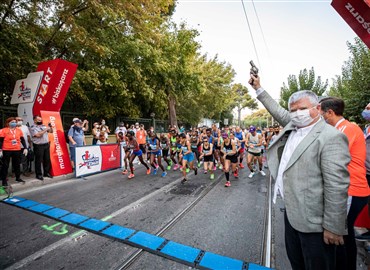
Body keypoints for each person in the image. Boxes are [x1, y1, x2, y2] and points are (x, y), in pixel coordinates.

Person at [249, 73, 351, 270]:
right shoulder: (294, 124)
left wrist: (333, 227)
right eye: (293, 110)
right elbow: (276, 110)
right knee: (297, 263)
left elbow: (337, 186)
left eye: (303, 109)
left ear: (318, 108)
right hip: (292, 216)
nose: (297, 113)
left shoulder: (331, 137)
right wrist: (258, 88)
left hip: (316, 225)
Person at [320, 97, 370, 270]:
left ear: (330, 113)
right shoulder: (341, 128)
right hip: (351, 189)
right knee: (345, 233)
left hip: (352, 189)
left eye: (321, 113)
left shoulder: (347, 128)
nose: (320, 117)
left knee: (340, 234)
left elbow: (330, 154)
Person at [0, 117, 28, 187]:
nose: (14, 123)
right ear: (8, 123)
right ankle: (4, 180)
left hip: (17, 149)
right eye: (12, 122)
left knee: (17, 164)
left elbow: (22, 139)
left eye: (15, 122)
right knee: (5, 165)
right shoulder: (4, 130)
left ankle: (18, 178)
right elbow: (1, 141)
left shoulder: (19, 130)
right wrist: (0, 149)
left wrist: (25, 148)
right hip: (7, 149)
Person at [30, 115, 53, 180]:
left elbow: (51, 131)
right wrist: (46, 129)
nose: (40, 121)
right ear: (34, 120)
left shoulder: (43, 126)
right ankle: (39, 174)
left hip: (46, 144)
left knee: (47, 159)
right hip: (38, 145)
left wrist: (50, 127)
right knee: (38, 160)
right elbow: (38, 135)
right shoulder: (32, 127)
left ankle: (46, 172)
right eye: (38, 120)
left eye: (41, 120)